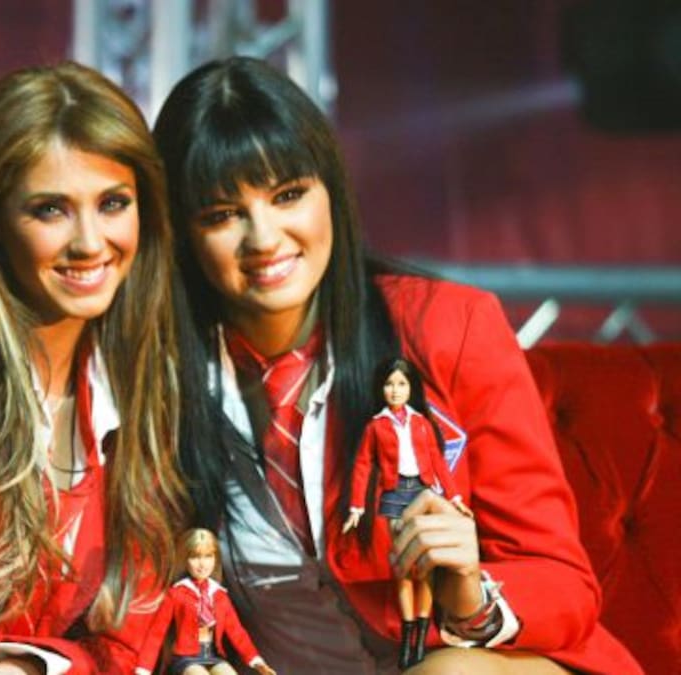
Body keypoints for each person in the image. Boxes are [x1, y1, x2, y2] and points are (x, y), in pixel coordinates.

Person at [154, 56, 641, 674]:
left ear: (330, 191)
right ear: (180, 233)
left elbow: (563, 582)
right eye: (223, 215)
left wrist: (471, 597)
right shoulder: (160, 378)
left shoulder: (448, 327)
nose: (265, 238)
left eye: (288, 195)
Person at [0, 61, 190, 674]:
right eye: (50, 210)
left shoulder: (143, 377)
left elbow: (130, 638)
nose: (89, 242)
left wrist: (33, 665)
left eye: (113, 203)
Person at [342, 358, 473, 668]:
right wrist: (357, 506)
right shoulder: (376, 425)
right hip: (394, 492)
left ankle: (421, 639)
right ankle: (407, 635)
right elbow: (363, 465)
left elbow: (437, 461)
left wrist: (454, 496)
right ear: (381, 388)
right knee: (402, 567)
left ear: (411, 388)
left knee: (424, 569)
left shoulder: (422, 423)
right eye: (389, 384)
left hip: (423, 491)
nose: (395, 390)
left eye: (401, 384)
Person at [137, 529, 276, 675]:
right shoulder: (176, 594)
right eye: (195, 557)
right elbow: (156, 634)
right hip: (185, 658)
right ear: (185, 560)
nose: (202, 564)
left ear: (215, 559)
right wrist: (143, 670)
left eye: (208, 556)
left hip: (212, 656)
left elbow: (237, 632)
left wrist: (256, 661)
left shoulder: (219, 595)